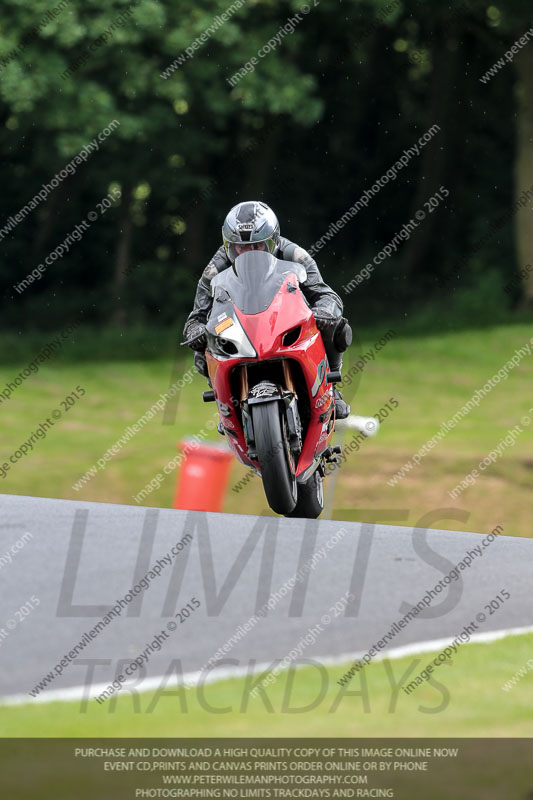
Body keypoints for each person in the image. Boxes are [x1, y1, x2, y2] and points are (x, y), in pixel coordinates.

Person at [183, 200, 352, 419]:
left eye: (257, 246)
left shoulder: (295, 255)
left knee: (337, 326)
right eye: (241, 247)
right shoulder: (215, 268)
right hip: (237, 325)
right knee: (202, 348)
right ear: (229, 245)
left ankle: (332, 390)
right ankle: (226, 407)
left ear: (272, 241)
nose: (248, 252)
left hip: (285, 317)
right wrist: (196, 332)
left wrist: (325, 311)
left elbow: (326, 294)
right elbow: (195, 317)